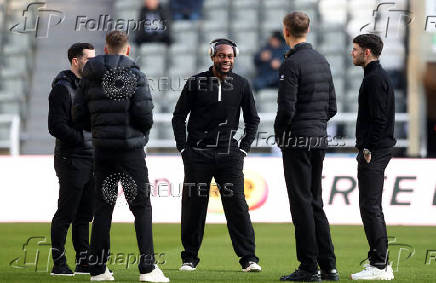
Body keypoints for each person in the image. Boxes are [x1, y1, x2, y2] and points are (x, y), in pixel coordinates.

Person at [72, 31, 169, 282]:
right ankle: (147, 269)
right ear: (127, 50)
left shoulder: (89, 77)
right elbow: (144, 113)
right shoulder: (135, 75)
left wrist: (97, 130)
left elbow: (78, 114)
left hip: (102, 150)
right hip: (130, 150)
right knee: (141, 207)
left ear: (106, 49)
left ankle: (98, 270)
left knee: (103, 207)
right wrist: (140, 136)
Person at [172, 38, 261, 272]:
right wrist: (183, 149)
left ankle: (249, 259)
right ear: (212, 56)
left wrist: (243, 148)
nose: (226, 60)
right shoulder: (196, 82)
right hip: (197, 155)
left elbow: (253, 120)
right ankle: (189, 258)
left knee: (237, 206)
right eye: (221, 55)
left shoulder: (241, 84)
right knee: (193, 206)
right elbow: (178, 116)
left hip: (230, 156)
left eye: (230, 56)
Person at [274, 12, 338, 282]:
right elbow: (332, 107)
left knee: (300, 203)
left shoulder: (291, 64)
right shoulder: (322, 61)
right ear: (308, 29)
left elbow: (286, 108)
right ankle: (329, 267)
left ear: (285, 31)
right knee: (315, 202)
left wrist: (280, 134)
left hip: (297, 140)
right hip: (319, 139)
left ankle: (308, 267)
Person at [350, 33, 396, 281]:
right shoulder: (375, 76)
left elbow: (378, 119)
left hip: (375, 151)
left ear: (367, 52)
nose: (352, 52)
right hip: (377, 149)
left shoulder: (375, 79)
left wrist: (367, 148)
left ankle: (380, 266)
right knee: (370, 207)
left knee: (371, 207)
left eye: (355, 49)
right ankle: (379, 262)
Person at [48, 42, 95, 276]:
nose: (93, 63)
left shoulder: (90, 86)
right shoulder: (62, 89)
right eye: (89, 58)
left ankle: (83, 261)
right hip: (71, 158)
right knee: (66, 213)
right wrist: (83, 139)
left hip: (91, 158)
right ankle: (59, 263)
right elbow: (55, 126)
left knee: (85, 215)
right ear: (76, 61)